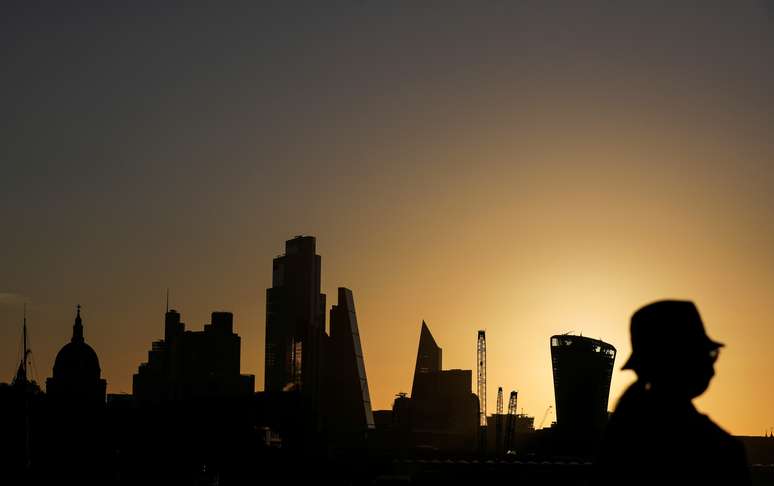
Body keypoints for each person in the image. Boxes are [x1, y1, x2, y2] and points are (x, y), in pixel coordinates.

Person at [595, 300, 750, 485]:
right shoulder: (719, 449)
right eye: (709, 355)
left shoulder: (620, 439)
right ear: (680, 359)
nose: (712, 369)